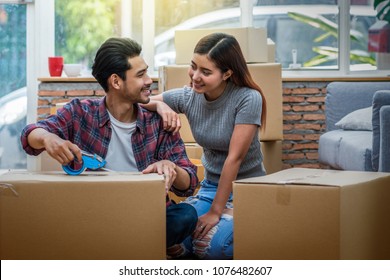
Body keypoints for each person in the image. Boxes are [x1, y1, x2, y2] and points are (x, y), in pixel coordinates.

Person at [20, 37, 199, 257]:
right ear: (116, 81)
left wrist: (171, 167)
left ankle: (117, 247)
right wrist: (48, 138)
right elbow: (29, 135)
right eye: (140, 74)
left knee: (186, 215)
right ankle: (142, 247)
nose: (148, 80)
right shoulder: (80, 113)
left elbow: (189, 182)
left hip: (145, 214)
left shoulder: (159, 122)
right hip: (95, 212)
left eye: (147, 72)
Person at [147, 33, 267, 259]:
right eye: (193, 67)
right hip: (211, 187)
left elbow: (234, 158)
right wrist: (161, 107)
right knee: (171, 236)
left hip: (246, 189)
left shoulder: (248, 98)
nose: (195, 77)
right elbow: (139, 100)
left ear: (227, 73)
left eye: (206, 72)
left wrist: (215, 212)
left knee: (215, 246)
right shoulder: (189, 96)